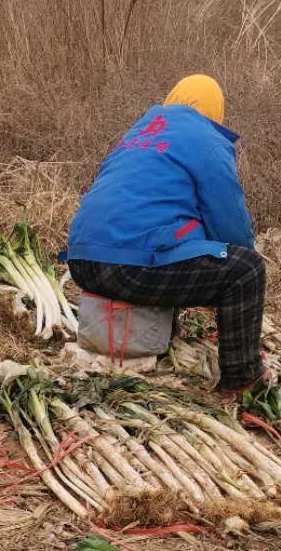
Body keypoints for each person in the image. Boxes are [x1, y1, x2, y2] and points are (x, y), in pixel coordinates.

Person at [65, 74, 267, 395]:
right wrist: (239, 283)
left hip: (83, 263)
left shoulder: (138, 133)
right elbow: (229, 223)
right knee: (246, 271)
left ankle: (157, 342)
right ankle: (243, 381)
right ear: (215, 112)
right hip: (128, 267)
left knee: (175, 244)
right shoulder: (206, 138)